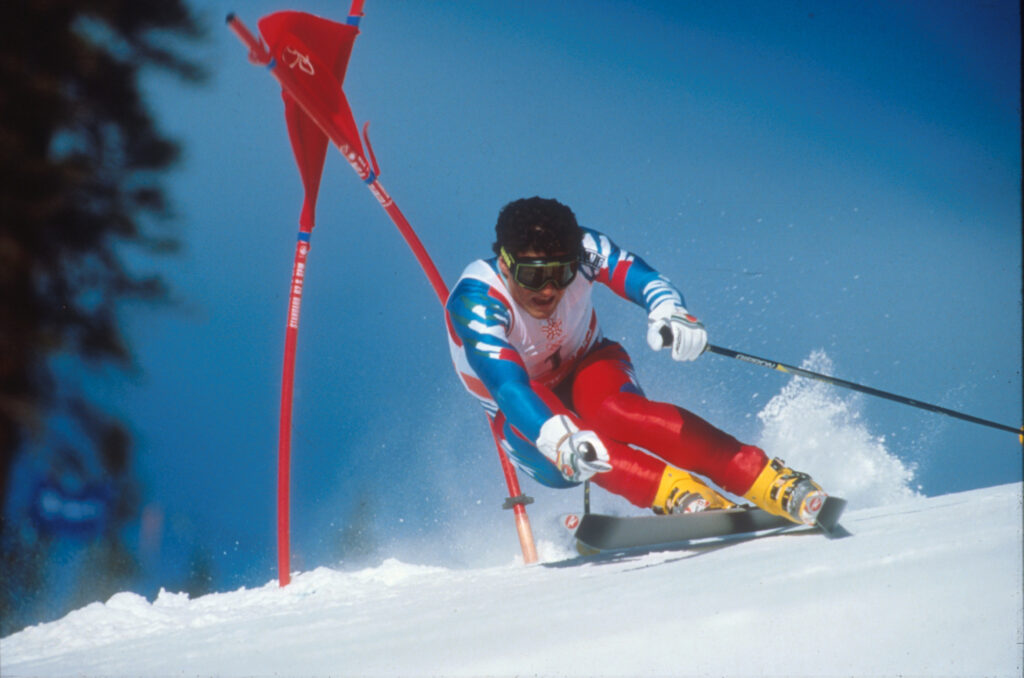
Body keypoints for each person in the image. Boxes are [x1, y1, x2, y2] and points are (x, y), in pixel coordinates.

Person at [445, 196, 827, 524]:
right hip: (521, 410)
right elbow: (510, 386)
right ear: (505, 263)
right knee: (576, 452)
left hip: (588, 364)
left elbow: (642, 279)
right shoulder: (476, 302)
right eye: (532, 276)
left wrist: (670, 310)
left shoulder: (585, 248)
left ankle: (762, 477)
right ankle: (677, 493)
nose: (548, 290)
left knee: (614, 411)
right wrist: (557, 437)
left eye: (561, 274)